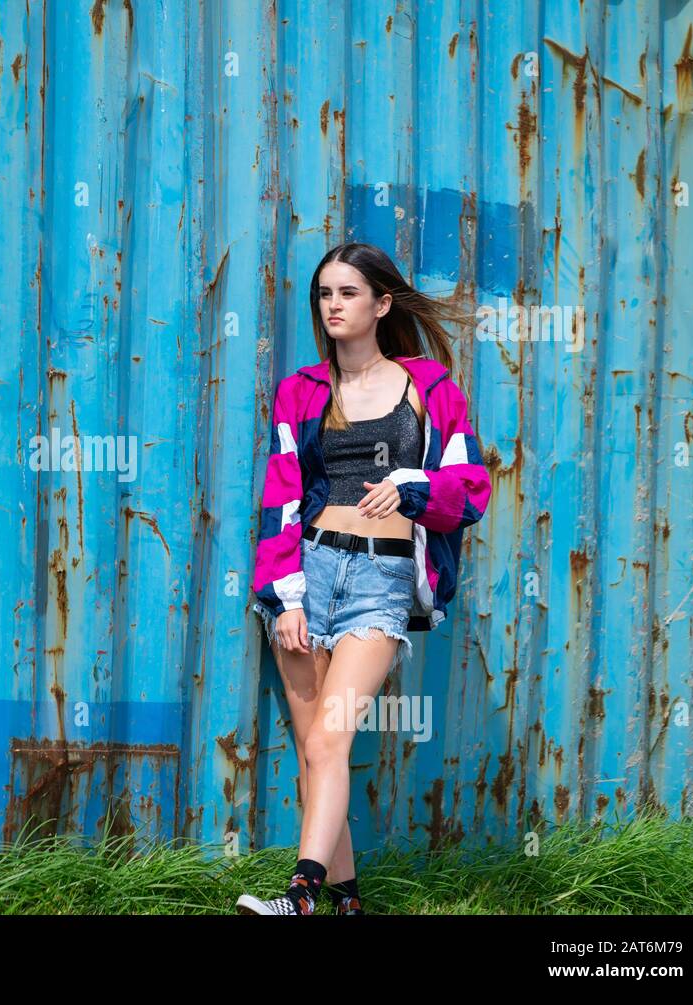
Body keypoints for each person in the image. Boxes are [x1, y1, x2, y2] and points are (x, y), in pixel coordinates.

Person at [237, 242, 491, 915]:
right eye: (325, 294)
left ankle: (299, 898)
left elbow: (471, 490)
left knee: (330, 736)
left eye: (348, 293)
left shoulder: (429, 386)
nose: (334, 306)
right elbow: (281, 497)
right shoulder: (301, 391)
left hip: (379, 581)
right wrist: (283, 594)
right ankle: (347, 904)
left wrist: (410, 488)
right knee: (316, 753)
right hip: (308, 576)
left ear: (382, 304)